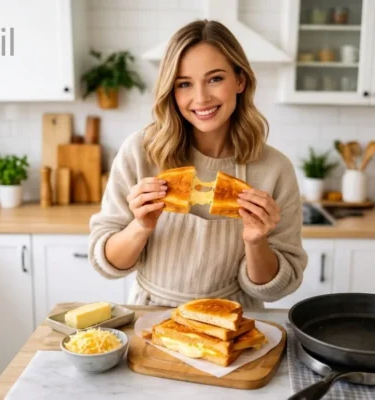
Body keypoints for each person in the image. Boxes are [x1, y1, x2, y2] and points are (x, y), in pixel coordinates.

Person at [88, 19, 308, 308]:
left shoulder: (275, 169)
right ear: (171, 90)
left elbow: (275, 289)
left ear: (240, 80)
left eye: (215, 78)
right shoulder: (141, 152)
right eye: (184, 84)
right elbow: (106, 264)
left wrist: (256, 242)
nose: (201, 98)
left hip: (236, 318)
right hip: (151, 315)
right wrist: (140, 226)